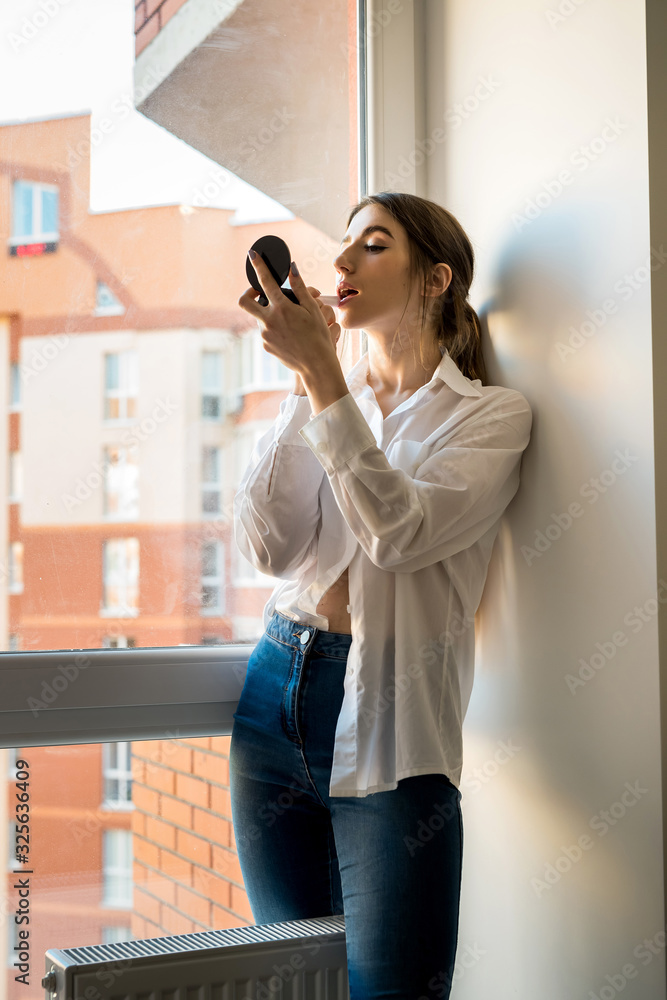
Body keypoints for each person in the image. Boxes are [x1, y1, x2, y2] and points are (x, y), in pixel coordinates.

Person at [229, 191, 532, 998]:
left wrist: (323, 376)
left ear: (435, 279)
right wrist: (308, 383)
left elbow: (397, 535)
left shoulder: (492, 418)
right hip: (273, 691)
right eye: (343, 244)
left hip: (391, 724)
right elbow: (269, 549)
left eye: (372, 243)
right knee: (291, 983)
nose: (339, 263)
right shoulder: (331, 393)